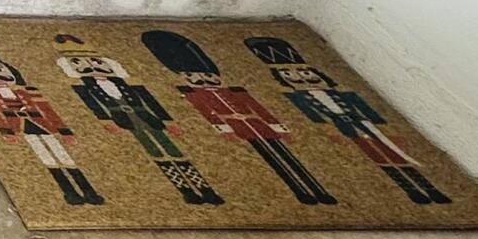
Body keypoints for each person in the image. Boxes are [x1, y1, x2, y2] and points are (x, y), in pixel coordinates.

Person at [139, 28, 335, 206]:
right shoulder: (195, 94)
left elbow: (257, 108)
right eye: (196, 77)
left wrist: (277, 126)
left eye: (209, 77)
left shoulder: (236, 92)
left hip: (256, 124)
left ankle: (313, 190)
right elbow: (208, 112)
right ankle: (189, 191)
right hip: (236, 126)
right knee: (161, 154)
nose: (205, 80)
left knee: (287, 158)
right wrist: (222, 127)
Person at [243, 35, 447, 205]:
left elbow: (363, 109)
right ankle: (411, 190)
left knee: (393, 155)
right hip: (344, 129)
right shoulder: (299, 97)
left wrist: (373, 121)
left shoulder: (344, 96)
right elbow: (312, 115)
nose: (300, 78)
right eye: (289, 75)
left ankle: (425, 188)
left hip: (363, 125)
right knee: (379, 157)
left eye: (306, 73)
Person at [51, 33, 222, 205]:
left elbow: (151, 101)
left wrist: (168, 120)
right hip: (124, 120)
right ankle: (186, 190)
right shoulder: (83, 85)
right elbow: (92, 104)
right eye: (80, 64)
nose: (91, 67)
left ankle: (204, 189)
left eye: (96, 62)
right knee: (157, 154)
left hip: (146, 117)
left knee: (175, 153)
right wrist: (106, 121)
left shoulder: (128, 83)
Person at [0, 26, 101, 208]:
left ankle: (88, 191)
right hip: (19, 126)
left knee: (63, 157)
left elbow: (46, 109)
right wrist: (6, 130)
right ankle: (69, 192)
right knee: (49, 160)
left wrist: (64, 130)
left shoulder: (28, 92)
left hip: (40, 124)